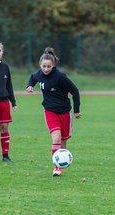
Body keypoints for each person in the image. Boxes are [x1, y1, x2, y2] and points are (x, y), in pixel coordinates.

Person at [26, 47, 81, 176]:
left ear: (53, 65)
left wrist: (77, 110)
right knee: (56, 138)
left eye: (48, 66)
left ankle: (63, 161)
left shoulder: (60, 77)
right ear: (40, 65)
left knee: (63, 141)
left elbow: (75, 91)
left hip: (64, 112)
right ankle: (57, 167)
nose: (46, 69)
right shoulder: (39, 74)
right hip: (50, 111)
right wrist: (29, 86)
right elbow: (33, 77)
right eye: (43, 66)